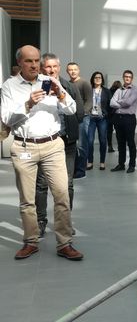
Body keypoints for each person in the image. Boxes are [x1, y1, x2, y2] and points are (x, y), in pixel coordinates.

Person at [1, 45, 84, 261]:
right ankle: (31, 241)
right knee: (27, 200)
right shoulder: (9, 86)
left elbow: (72, 109)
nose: (34, 65)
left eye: (36, 60)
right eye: (29, 61)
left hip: (53, 146)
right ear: (19, 62)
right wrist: (28, 104)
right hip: (24, 146)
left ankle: (64, 243)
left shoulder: (50, 82)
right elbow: (7, 119)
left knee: (62, 194)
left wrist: (61, 95)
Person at [35, 53, 84, 238]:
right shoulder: (38, 87)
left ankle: (65, 222)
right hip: (45, 142)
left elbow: (78, 112)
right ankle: (40, 221)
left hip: (67, 141)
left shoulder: (69, 86)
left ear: (59, 67)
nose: (52, 70)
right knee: (41, 184)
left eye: (54, 66)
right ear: (42, 68)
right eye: (48, 67)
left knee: (68, 184)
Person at [110, 70, 137, 173]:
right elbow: (111, 103)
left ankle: (132, 165)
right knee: (120, 143)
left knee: (130, 143)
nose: (127, 78)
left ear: (132, 78)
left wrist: (118, 102)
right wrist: (121, 103)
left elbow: (129, 102)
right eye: (126, 76)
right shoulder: (118, 90)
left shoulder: (135, 90)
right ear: (123, 77)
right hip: (118, 119)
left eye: (129, 77)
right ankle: (121, 164)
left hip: (129, 119)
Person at [67, 62, 92, 179]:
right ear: (67, 71)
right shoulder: (67, 84)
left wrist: (82, 114)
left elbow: (89, 101)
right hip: (71, 117)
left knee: (82, 145)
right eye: (70, 70)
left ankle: (81, 171)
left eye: (75, 69)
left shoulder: (84, 83)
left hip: (83, 118)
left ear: (79, 70)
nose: (73, 71)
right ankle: (73, 169)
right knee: (72, 144)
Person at [87, 72, 111, 170]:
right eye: (96, 77)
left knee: (102, 140)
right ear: (92, 79)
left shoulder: (106, 91)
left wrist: (106, 114)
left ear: (102, 79)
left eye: (99, 77)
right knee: (90, 141)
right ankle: (90, 162)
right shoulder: (89, 90)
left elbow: (110, 105)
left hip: (102, 118)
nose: (98, 79)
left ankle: (102, 162)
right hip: (91, 118)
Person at [106, 80, 122, 153]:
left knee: (109, 132)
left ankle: (110, 146)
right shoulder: (120, 93)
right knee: (118, 131)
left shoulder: (108, 92)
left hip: (108, 115)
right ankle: (119, 146)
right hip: (116, 115)